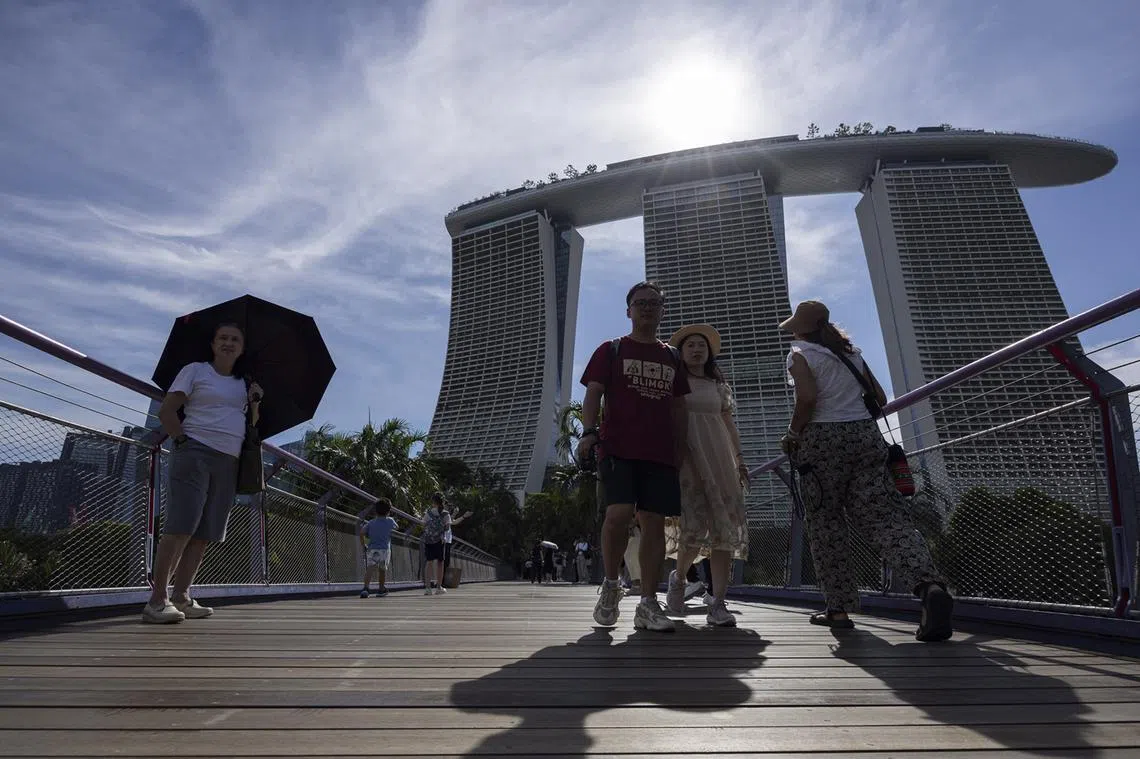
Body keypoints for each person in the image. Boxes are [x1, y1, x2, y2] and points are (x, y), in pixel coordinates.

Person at [779, 300, 953, 642]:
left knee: (825, 522)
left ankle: (838, 609)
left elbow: (808, 398)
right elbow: (879, 396)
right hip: (864, 437)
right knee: (884, 517)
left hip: (822, 442)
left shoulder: (799, 353)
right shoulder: (852, 353)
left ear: (800, 328)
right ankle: (929, 585)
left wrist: (793, 433)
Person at [577, 281, 690, 632]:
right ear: (628, 311)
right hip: (618, 447)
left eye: (654, 303)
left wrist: (682, 449)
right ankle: (612, 585)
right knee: (619, 514)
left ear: (662, 310)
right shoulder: (611, 350)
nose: (647, 308)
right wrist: (589, 432)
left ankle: (647, 603)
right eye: (640, 303)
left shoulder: (672, 356)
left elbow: (679, 407)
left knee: (654, 523)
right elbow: (594, 393)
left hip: (659, 452)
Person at [144, 322, 263, 623]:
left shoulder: (243, 383)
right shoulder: (196, 370)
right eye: (222, 337)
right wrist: (182, 442)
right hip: (195, 452)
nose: (228, 343)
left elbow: (252, 425)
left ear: (242, 348)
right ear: (212, 344)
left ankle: (182, 596)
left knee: (205, 532)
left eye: (235, 339)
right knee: (181, 526)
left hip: (229, 460)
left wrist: (255, 402)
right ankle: (157, 600)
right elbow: (167, 411)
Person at [662, 324, 750, 627]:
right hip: (688, 457)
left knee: (724, 531)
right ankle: (679, 578)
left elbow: (728, 423)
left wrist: (739, 460)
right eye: (690, 346)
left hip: (720, 459)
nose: (697, 349)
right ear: (681, 353)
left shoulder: (718, 386)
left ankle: (719, 603)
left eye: (702, 345)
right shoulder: (674, 381)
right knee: (693, 529)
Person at [360, 498, 399, 598]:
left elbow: (362, 532)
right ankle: (381, 589)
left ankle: (365, 588)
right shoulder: (390, 521)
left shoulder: (371, 522)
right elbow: (396, 528)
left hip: (372, 549)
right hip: (384, 549)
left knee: (370, 568)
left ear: (375, 511)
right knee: (382, 570)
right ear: (388, 511)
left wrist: (363, 544)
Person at [421, 492, 451, 595]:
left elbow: (423, 525)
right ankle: (439, 587)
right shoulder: (445, 514)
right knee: (440, 563)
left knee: (429, 562)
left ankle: (428, 588)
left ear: (433, 502)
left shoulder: (428, 513)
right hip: (440, 540)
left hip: (429, 540)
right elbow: (447, 528)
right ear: (442, 502)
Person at [440, 502, 472, 587]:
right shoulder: (441, 514)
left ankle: (443, 582)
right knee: (442, 562)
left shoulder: (447, 515)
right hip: (443, 540)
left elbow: (454, 522)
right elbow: (451, 522)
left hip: (448, 541)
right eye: (447, 506)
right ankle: (441, 582)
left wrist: (463, 516)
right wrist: (455, 513)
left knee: (446, 562)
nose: (449, 508)